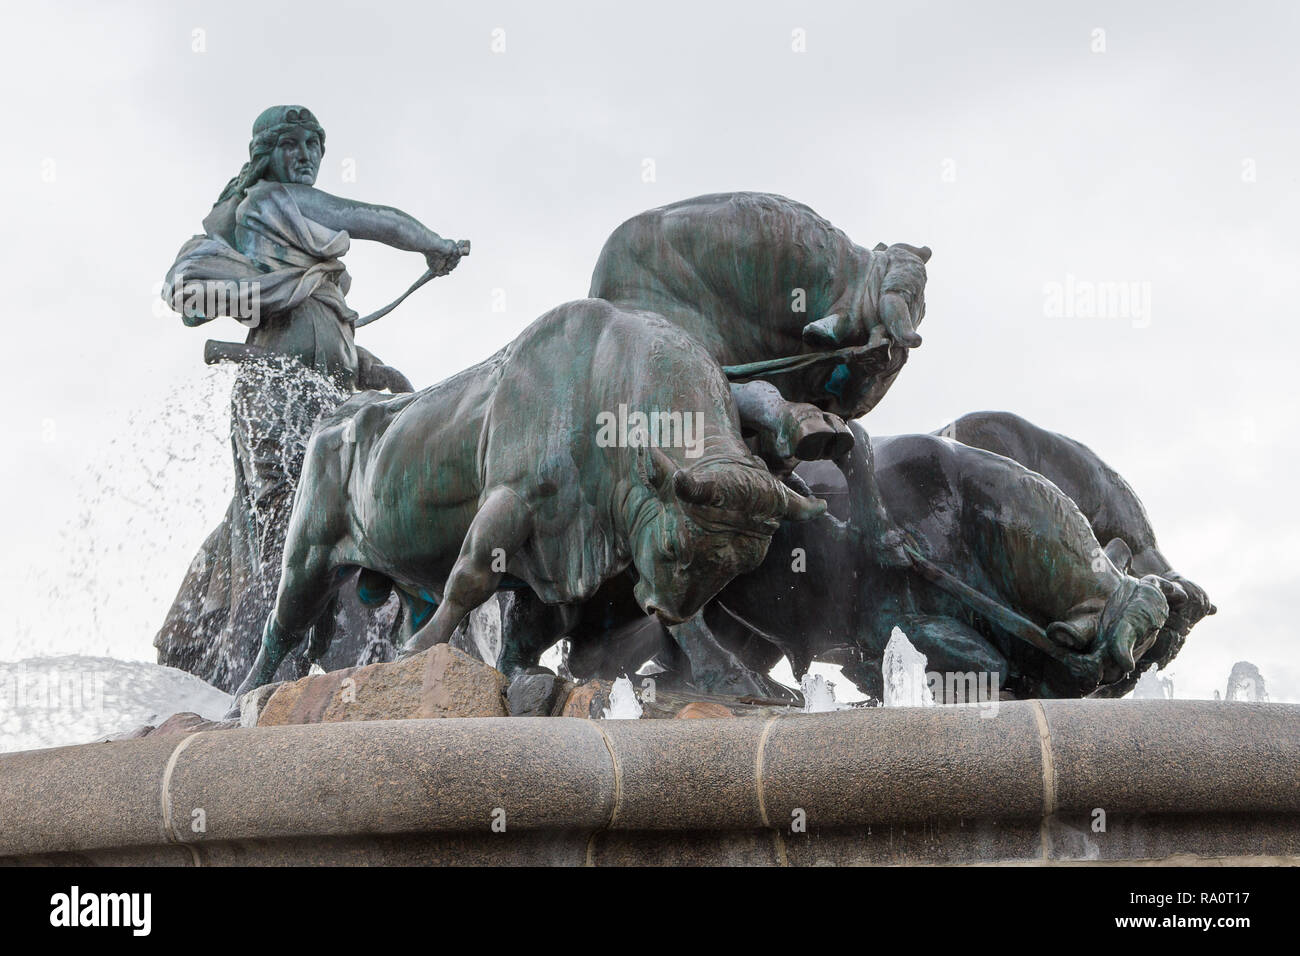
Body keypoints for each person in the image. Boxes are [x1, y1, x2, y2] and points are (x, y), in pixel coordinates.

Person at [155, 105, 465, 692]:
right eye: (294, 145)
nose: (307, 158)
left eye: (315, 147)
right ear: (266, 155)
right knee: (289, 521)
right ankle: (269, 657)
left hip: (317, 399)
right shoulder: (271, 205)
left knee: (314, 519)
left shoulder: (314, 281)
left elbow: (334, 344)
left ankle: (313, 645)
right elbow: (371, 219)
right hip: (276, 396)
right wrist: (433, 244)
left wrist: (378, 373)